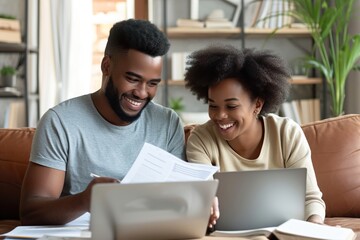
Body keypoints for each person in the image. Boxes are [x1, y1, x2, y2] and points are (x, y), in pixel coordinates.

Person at [19, 19, 189, 225]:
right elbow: (31, 211)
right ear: (106, 66)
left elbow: (180, 200)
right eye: (133, 79)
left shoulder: (168, 123)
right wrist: (84, 200)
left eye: (152, 84)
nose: (142, 93)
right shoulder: (60, 122)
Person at [184, 44, 326, 224]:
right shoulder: (201, 140)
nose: (219, 115)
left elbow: (310, 198)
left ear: (257, 105)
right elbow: (202, 196)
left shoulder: (287, 134)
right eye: (213, 105)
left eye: (231, 106)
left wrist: (314, 228)